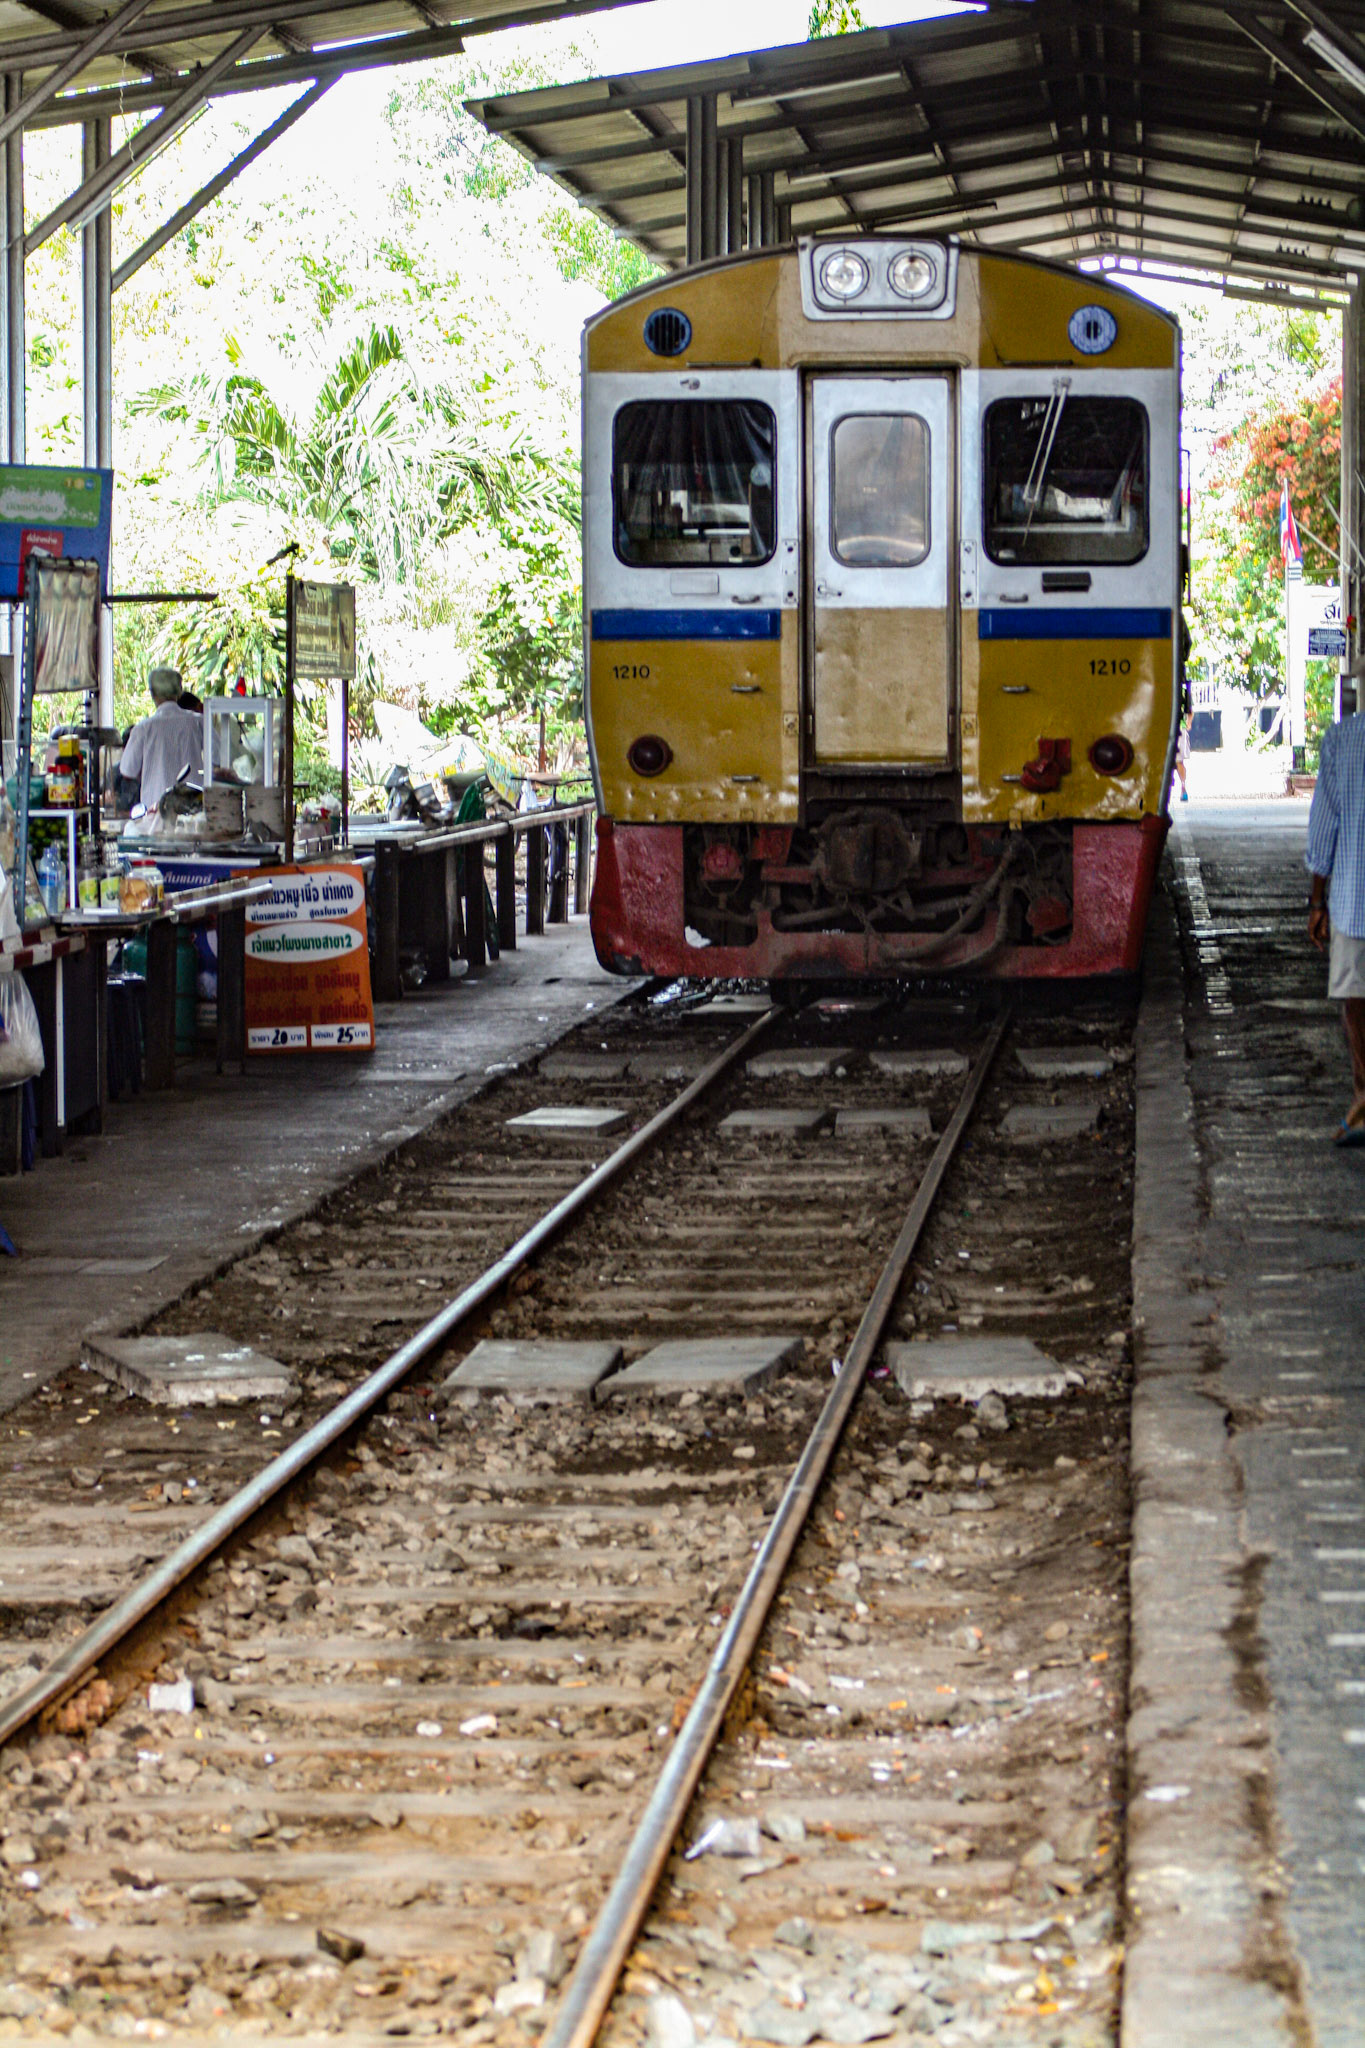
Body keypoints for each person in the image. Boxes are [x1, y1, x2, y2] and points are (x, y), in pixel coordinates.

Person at [1306, 706, 1365, 1146]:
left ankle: (1364, 1101)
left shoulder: (1343, 740)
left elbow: (1325, 827)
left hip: (1353, 898)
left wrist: (1317, 901)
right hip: (1351, 897)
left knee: (1356, 1001)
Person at [118, 666, 202, 812]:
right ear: (179, 692)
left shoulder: (143, 728)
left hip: (155, 812)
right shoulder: (198, 722)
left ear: (153, 694)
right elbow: (219, 757)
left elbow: (127, 770)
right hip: (195, 810)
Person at [1174, 714, 1191, 802]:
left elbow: (1190, 710)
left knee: (1179, 761)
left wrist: (1189, 722)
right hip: (1163, 726)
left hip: (1179, 728)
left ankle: (1183, 787)